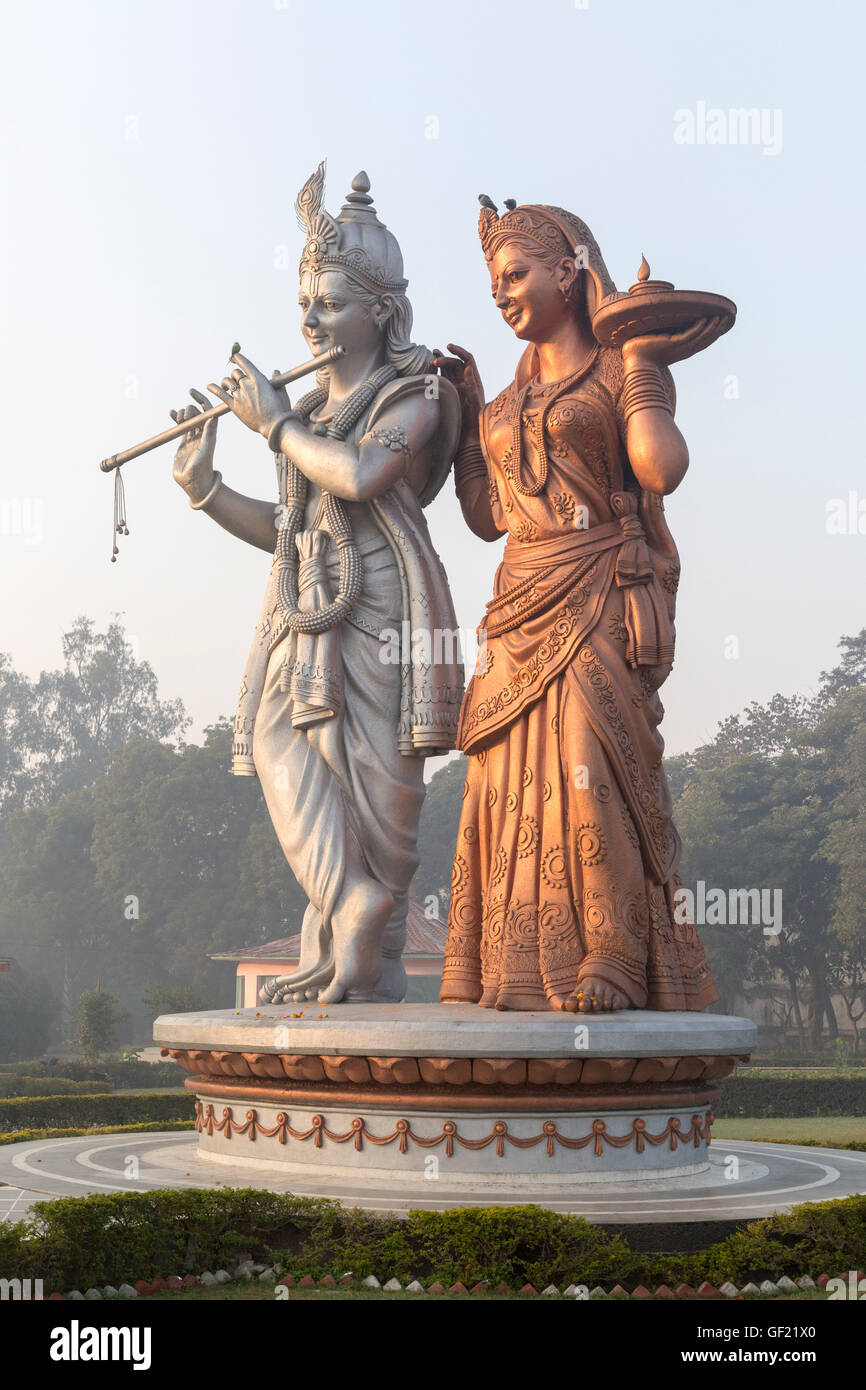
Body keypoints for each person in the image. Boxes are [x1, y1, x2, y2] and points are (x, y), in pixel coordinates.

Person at [171, 166, 463, 1005]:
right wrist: (206, 489)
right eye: (306, 303)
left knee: (378, 784)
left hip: (381, 605)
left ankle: (366, 937)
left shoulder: (415, 391)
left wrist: (278, 426)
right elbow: (288, 528)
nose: (310, 320)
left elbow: (365, 474)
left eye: (331, 303)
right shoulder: (306, 409)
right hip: (304, 605)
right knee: (277, 739)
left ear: (384, 312)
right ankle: (346, 905)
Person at [435, 197, 719, 1014]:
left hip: (596, 592)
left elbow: (660, 471)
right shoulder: (503, 408)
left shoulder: (619, 364)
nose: (502, 293)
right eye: (494, 282)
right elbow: (490, 516)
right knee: (501, 786)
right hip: (518, 604)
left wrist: (641, 368)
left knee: (589, 774)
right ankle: (500, 963)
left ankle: (614, 956)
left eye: (516, 273)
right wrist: (466, 423)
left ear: (570, 271)